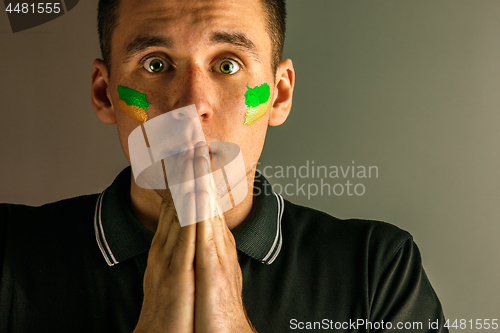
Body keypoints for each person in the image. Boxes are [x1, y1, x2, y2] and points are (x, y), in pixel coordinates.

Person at [0, 0, 448, 332]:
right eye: (156, 64)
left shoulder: (376, 269)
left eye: (228, 64)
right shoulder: (9, 254)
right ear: (105, 94)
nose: (193, 106)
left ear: (279, 94)